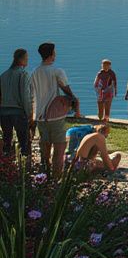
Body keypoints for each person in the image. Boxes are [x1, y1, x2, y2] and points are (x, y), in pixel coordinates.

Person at [31, 42, 79, 176]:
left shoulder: (34, 72)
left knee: (45, 149)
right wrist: (74, 100)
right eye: (55, 52)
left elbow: (32, 93)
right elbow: (66, 88)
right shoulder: (57, 71)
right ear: (51, 54)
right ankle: (56, 181)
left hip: (40, 116)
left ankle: (44, 177)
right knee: (59, 149)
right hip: (55, 116)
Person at [0, 48, 32, 159]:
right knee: (24, 142)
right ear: (21, 59)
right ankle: (24, 166)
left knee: (7, 140)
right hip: (18, 113)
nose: (27, 60)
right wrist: (29, 114)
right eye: (26, 58)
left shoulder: (3, 75)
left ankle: (7, 166)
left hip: (3, 113)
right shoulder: (23, 74)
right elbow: (25, 96)